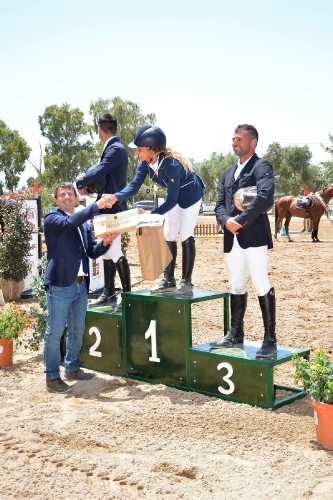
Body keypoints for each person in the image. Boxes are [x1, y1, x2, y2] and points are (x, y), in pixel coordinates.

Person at [109, 125, 205, 294]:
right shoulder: (145, 164)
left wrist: (150, 215)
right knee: (168, 232)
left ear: (152, 150)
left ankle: (187, 282)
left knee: (185, 233)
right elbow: (133, 187)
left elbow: (172, 200)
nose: (136, 153)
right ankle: (169, 280)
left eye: (139, 149)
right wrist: (115, 197)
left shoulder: (171, 165)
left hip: (191, 195)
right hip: (174, 195)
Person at [210, 124, 276, 358]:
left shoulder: (261, 166)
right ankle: (236, 335)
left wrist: (242, 220)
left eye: (239, 139)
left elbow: (266, 196)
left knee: (260, 282)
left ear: (253, 142)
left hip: (254, 235)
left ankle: (270, 340)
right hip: (231, 237)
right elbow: (219, 204)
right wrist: (226, 220)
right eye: (233, 138)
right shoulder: (228, 172)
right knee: (236, 285)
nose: (234, 143)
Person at [43, 182, 117, 394]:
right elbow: (69, 223)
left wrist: (105, 242)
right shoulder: (52, 219)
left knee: (77, 330)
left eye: (70, 194)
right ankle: (52, 377)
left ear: (75, 198)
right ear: (56, 200)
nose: (67, 197)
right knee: (54, 332)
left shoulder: (83, 225)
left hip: (80, 286)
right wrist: (95, 207)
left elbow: (92, 253)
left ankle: (72, 368)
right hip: (60, 285)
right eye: (62, 194)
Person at [76, 113, 130, 311]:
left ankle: (127, 296)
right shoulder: (115, 148)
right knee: (107, 251)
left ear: (100, 130)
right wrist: (89, 189)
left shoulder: (115, 149)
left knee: (114, 250)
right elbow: (105, 180)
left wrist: (80, 182)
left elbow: (100, 171)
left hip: (112, 207)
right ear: (116, 129)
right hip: (107, 205)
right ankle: (109, 294)